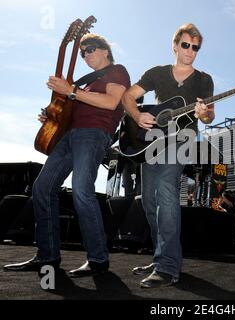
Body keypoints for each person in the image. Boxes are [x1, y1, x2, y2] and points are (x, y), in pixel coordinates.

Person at [3, 34, 131, 278]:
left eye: (90, 49)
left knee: (81, 190)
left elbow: (112, 102)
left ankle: (97, 259)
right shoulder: (84, 84)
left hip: (94, 134)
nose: (85, 55)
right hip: (69, 135)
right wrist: (53, 115)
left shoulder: (116, 71)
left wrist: (70, 90)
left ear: (105, 50)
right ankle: (47, 255)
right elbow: (73, 108)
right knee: (41, 189)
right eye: (82, 52)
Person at [122, 23, 215, 288]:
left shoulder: (203, 79)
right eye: (185, 45)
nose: (190, 51)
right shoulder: (156, 73)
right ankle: (159, 256)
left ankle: (168, 267)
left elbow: (209, 116)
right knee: (149, 202)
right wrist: (138, 115)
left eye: (195, 47)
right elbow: (128, 97)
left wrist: (203, 114)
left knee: (165, 188)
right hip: (152, 140)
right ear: (175, 46)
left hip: (182, 138)